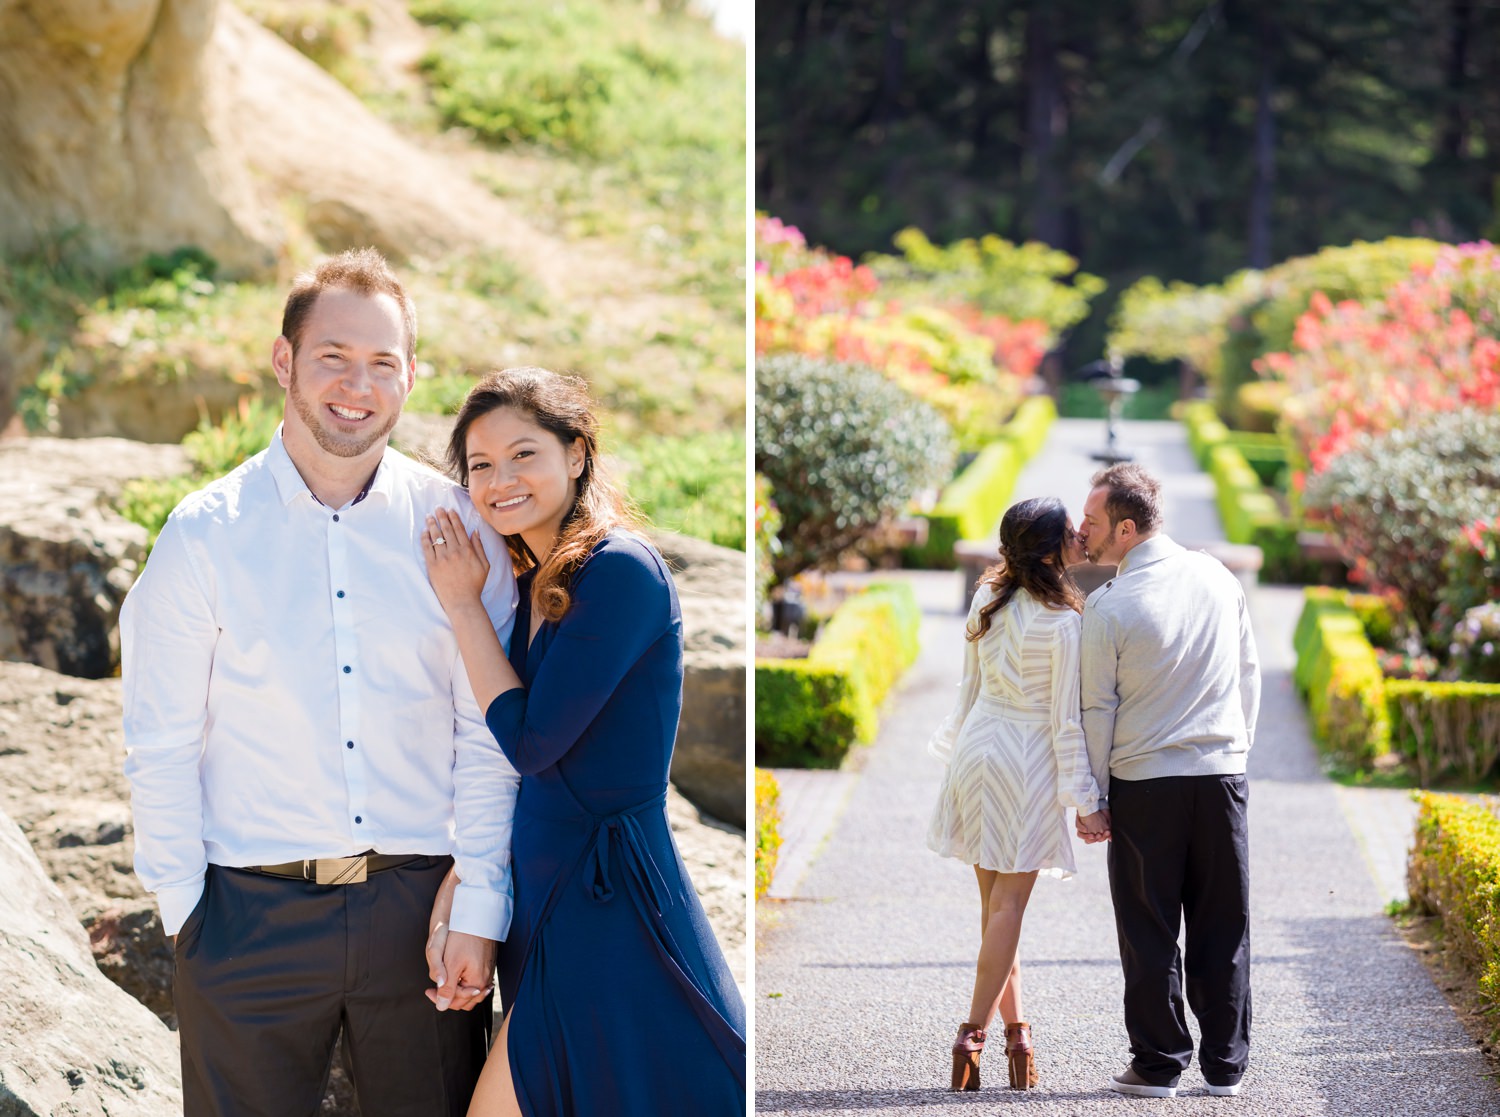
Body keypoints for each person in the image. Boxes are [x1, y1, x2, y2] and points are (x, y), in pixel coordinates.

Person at [121, 248, 521, 1116]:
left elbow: (489, 732)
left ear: (411, 376)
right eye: (334, 356)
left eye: (383, 362)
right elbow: (160, 740)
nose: (358, 383)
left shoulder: (458, 527)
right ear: (284, 362)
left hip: (420, 910)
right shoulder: (203, 536)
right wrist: (187, 914)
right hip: (245, 916)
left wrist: (482, 897)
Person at [420, 366, 746, 1116]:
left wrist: (462, 605)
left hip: (606, 898)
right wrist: (469, 876)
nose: (501, 478)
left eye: (523, 454)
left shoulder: (620, 570)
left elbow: (532, 744)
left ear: (576, 453)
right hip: (548, 886)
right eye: (480, 465)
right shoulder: (532, 576)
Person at [1077, 462, 1260, 1100]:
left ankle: (1158, 1065)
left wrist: (1092, 797)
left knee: (1148, 927)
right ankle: (1225, 1067)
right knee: (1224, 923)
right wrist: (1236, 751)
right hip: (1220, 778)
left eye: (1093, 522)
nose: (1083, 532)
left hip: (1145, 784)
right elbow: (1248, 673)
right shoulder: (1217, 575)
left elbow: (1095, 710)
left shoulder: (1107, 605)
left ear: (1126, 529)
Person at [927, 496, 1111, 1093]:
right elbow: (1065, 724)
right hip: (1025, 764)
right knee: (1008, 910)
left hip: (978, 752)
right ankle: (971, 1034)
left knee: (994, 914)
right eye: (1071, 535)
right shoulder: (1064, 622)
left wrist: (953, 752)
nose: (1080, 539)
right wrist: (1086, 800)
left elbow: (968, 689)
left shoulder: (986, 596)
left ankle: (1018, 1038)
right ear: (1051, 548)